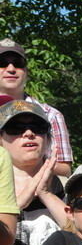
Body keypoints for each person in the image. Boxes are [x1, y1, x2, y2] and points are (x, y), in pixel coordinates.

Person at [0, 100, 67, 245]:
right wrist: (18, 203)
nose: (28, 134)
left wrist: (46, 194)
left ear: (48, 138)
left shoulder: (70, 186)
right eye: (16, 128)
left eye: (37, 127)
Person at [0, 38, 73, 176]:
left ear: (26, 72)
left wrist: (30, 161)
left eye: (18, 64)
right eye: (2, 63)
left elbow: (65, 170)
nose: (11, 69)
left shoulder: (51, 115)